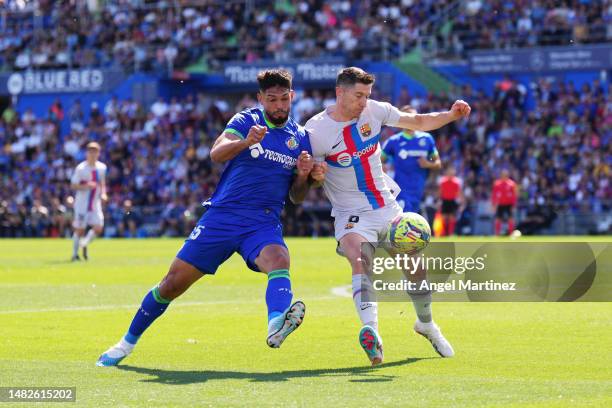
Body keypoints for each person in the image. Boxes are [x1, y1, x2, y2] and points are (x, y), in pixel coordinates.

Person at [97, 69, 327, 367]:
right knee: (171, 285)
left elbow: (296, 197)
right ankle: (125, 344)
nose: (280, 105)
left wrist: (307, 177)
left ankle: (276, 324)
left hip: (263, 220)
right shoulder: (246, 121)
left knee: (279, 259)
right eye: (272, 100)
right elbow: (216, 153)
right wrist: (245, 142)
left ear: (292, 96)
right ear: (260, 99)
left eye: (284, 99)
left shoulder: (300, 139)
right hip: (223, 216)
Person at [305, 67, 470, 365]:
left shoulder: (375, 111)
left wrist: (451, 114)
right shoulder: (315, 132)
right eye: (358, 95)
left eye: (367, 95)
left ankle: (426, 324)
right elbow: (309, 180)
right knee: (359, 259)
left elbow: (418, 121)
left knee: (415, 267)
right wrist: (315, 175)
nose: (363, 102)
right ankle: (372, 333)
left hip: (388, 208)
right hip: (351, 214)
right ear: (339, 92)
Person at [381, 105, 442, 213]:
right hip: (400, 189)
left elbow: (437, 163)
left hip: (419, 189)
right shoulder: (393, 141)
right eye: (407, 116)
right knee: (405, 219)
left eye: (414, 116)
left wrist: (428, 164)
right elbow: (378, 161)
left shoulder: (426, 139)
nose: (411, 119)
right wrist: (384, 170)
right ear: (401, 119)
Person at [69, 142, 107, 261]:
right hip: (82, 204)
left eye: (95, 151)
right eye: (90, 151)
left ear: (98, 153)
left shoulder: (102, 167)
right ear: (87, 153)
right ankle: (75, 254)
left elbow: (102, 182)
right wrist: (86, 186)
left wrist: (103, 193)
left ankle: (84, 243)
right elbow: (73, 185)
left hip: (95, 203)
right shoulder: (81, 168)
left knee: (99, 227)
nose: (93, 154)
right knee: (80, 230)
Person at [492, 169, 518, 235]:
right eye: (503, 175)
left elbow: (515, 195)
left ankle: (511, 233)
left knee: (511, 219)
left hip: (509, 204)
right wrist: (494, 204)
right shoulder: (497, 184)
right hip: (500, 204)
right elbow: (494, 195)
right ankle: (497, 234)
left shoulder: (512, 184)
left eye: (505, 175)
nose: (504, 176)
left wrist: (514, 205)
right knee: (498, 219)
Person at [438, 167, 463, 236]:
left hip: (452, 201)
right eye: (449, 173)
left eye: (452, 173)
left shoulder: (456, 182)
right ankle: (444, 233)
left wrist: (461, 202)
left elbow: (459, 192)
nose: (450, 174)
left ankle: (450, 233)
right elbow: (440, 191)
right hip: (445, 200)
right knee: (444, 217)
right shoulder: (443, 181)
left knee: (452, 217)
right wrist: (438, 200)